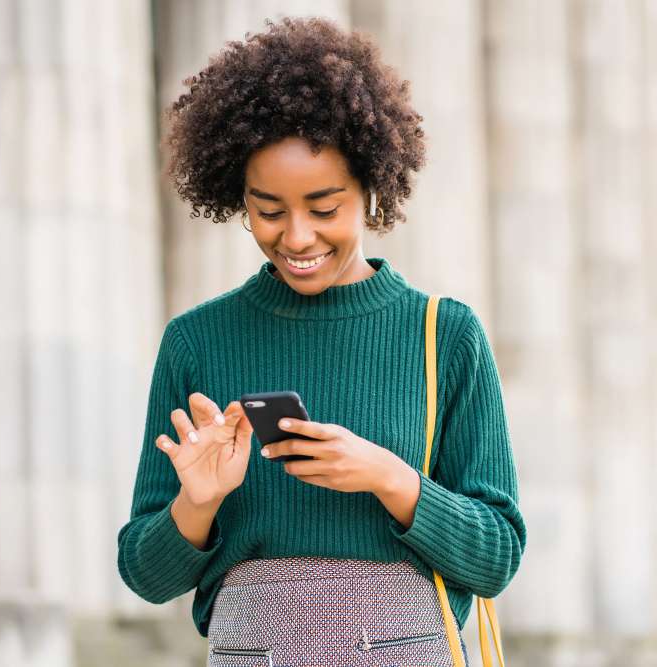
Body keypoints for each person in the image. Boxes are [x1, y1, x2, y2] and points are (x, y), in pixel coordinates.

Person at [116, 15, 526, 666]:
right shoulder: (196, 341)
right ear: (237, 198)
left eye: (325, 206)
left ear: (370, 184)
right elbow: (146, 574)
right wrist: (198, 501)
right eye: (269, 210)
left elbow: (498, 555)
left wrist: (389, 477)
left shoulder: (446, 336)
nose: (298, 237)